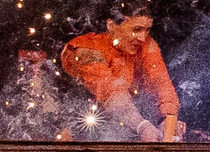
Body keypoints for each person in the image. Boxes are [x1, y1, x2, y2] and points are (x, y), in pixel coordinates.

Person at [60, 11, 186, 141]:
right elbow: (111, 92)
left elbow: (161, 83)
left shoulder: (146, 45)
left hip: (124, 124)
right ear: (111, 25)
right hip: (75, 129)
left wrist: (168, 119)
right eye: (136, 30)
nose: (142, 38)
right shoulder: (84, 49)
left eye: (147, 30)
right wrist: (142, 126)